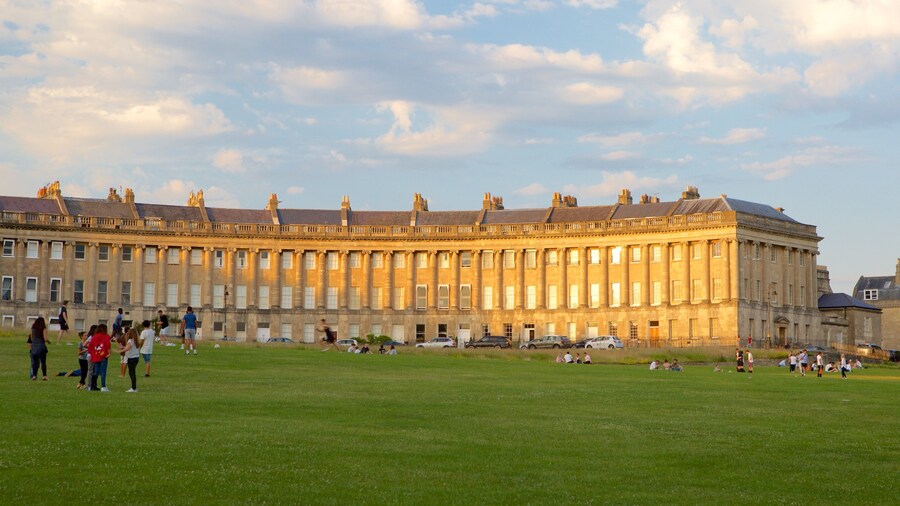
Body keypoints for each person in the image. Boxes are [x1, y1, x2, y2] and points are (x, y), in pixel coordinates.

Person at [89, 324, 112, 392]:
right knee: (103, 372)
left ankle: (92, 386)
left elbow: (90, 346)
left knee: (96, 371)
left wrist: (92, 354)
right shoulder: (106, 336)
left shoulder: (94, 336)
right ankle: (103, 386)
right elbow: (108, 345)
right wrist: (109, 353)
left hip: (96, 356)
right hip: (103, 356)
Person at [120, 328, 141, 392]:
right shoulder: (136, 341)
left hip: (131, 358)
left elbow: (127, 349)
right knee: (132, 372)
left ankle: (133, 388)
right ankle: (134, 388)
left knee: (132, 373)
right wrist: (124, 347)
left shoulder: (130, 341)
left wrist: (119, 351)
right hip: (136, 358)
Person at [29, 317, 50, 381]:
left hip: (34, 347)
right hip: (41, 346)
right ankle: (44, 376)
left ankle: (34, 376)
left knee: (35, 362)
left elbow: (31, 337)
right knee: (43, 362)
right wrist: (49, 341)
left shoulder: (33, 328)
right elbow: (45, 338)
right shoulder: (43, 328)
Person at [83, 325, 97, 390]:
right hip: (91, 356)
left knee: (94, 371)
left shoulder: (95, 337)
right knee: (90, 370)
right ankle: (89, 385)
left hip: (95, 355)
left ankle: (93, 384)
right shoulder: (91, 337)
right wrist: (91, 348)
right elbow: (84, 344)